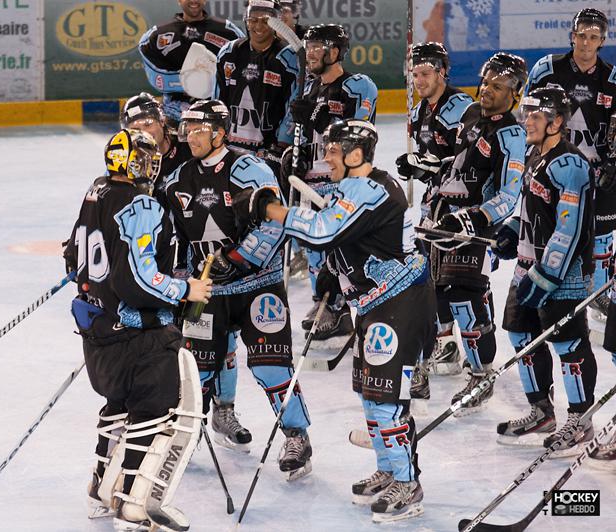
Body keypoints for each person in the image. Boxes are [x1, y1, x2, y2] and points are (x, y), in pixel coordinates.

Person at [235, 119, 435, 523]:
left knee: (384, 397)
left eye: (332, 149)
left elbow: (325, 230)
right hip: (378, 303)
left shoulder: (371, 188)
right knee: (370, 392)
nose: (325, 156)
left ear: (356, 154)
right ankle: (389, 469)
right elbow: (341, 235)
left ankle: (407, 483)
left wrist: (271, 209)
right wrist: (335, 265)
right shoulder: (355, 186)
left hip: (399, 302)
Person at [63, 128, 213, 530]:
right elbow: (136, 280)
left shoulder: (95, 193)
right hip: (138, 336)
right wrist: (186, 288)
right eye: (144, 158)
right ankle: (134, 506)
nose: (151, 164)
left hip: (97, 333)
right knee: (156, 414)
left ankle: (99, 491)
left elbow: (70, 256)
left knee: (117, 407)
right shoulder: (142, 203)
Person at [161, 99, 314, 479]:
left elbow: (274, 225)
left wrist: (239, 259)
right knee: (198, 371)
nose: (188, 136)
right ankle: (195, 428)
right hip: (207, 293)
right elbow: (175, 240)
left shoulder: (250, 169)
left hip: (256, 287)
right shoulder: (177, 180)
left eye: (197, 129)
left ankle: (297, 435)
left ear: (219, 132)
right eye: (187, 129)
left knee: (273, 367)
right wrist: (180, 288)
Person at [120, 92, 248, 450]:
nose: (142, 131)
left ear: (164, 124)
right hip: (160, 263)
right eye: (134, 126)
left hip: (199, 268)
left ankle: (224, 409)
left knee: (219, 340)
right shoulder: (131, 157)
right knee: (174, 346)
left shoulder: (189, 149)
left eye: (148, 123)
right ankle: (171, 416)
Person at [492, 86, 597, 455]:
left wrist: (547, 275)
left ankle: (581, 420)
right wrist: (508, 232)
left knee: (568, 343)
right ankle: (541, 411)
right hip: (528, 263)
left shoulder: (570, 165)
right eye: (526, 114)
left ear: (556, 122)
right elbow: (528, 207)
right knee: (521, 335)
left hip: (562, 271)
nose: (527, 121)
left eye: (535, 116)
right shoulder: (535, 154)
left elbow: (570, 228)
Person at [421, 52, 527, 415]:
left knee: (466, 295)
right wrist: (428, 167)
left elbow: (510, 194)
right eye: (485, 82)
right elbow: (456, 163)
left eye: (498, 87)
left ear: (514, 94)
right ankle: (447, 349)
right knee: (434, 289)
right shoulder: (469, 116)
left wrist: (473, 219)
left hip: (475, 229)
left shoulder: (512, 134)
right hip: (441, 218)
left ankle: (482, 373)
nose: (487, 90)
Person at [282, 23, 378, 341]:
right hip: (312, 182)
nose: (309, 54)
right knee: (313, 251)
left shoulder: (358, 86)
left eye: (316, 48)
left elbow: (359, 132)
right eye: (307, 48)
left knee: (341, 252)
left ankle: (349, 307)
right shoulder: (309, 89)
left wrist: (319, 120)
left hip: (344, 183)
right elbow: (301, 135)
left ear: (334, 52)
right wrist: (292, 159)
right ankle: (325, 305)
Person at [524, 8, 616, 320]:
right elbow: (527, 114)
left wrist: (613, 164)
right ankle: (559, 289)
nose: (586, 43)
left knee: (602, 237)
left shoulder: (612, 79)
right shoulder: (546, 70)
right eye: (581, 36)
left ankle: (600, 295)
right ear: (572, 35)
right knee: (553, 232)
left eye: (593, 37)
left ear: (602, 40)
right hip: (552, 169)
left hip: (598, 174)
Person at [395, 42, 474, 397]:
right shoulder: (418, 111)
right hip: (435, 208)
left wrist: (425, 166)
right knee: (429, 280)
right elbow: (433, 165)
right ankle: (446, 341)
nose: (418, 80)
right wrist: (421, 169)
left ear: (442, 72)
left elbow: (468, 163)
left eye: (425, 73)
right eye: (414, 74)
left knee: (465, 284)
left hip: (464, 211)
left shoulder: (461, 108)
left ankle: (476, 352)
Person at [214, 0, 298, 158]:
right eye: (253, 20)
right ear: (246, 21)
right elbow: (218, 98)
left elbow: (293, 105)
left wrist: (282, 142)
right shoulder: (229, 51)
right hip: (228, 146)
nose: (258, 26)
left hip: (267, 150)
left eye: (265, 21)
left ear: (276, 24)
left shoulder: (289, 57)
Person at [138, 0, 244, 125]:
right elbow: (152, 67)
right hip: (175, 117)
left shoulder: (229, 32)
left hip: (215, 117)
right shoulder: (157, 35)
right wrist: (188, 82)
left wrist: (214, 83)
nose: (194, 1)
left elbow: (243, 64)